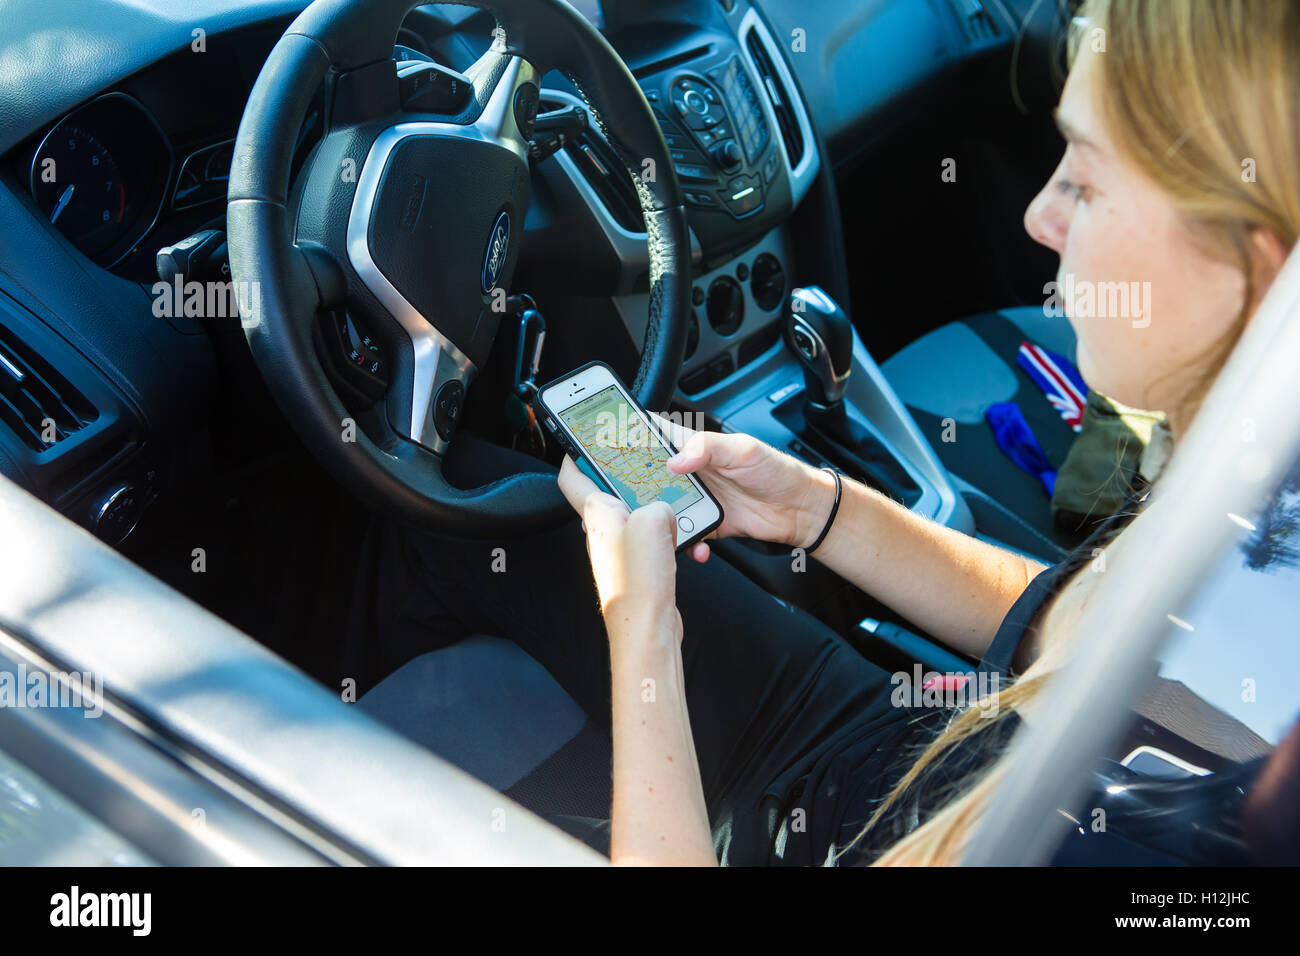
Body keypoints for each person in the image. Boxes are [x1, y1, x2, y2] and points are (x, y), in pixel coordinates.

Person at [364, 0, 1297, 865]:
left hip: (878, 825)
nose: (1040, 215)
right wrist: (819, 509)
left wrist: (641, 630)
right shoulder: (1263, 503)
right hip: (910, 751)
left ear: (1248, 269)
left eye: (1087, 183)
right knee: (472, 518)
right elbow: (1101, 635)